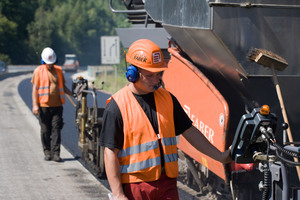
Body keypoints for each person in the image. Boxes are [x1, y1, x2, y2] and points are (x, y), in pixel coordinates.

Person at [99, 39, 232, 200]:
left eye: (159, 74)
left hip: (167, 185)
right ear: (132, 73)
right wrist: (118, 194)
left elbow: (189, 132)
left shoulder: (167, 99)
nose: (156, 80)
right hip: (136, 187)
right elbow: (110, 152)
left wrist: (220, 156)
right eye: (150, 75)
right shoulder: (117, 106)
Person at [31, 47, 73, 162]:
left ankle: (56, 153)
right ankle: (47, 151)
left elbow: (63, 87)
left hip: (57, 106)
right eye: (48, 63)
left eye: (52, 63)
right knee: (45, 130)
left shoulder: (58, 70)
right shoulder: (38, 71)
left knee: (56, 129)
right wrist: (35, 105)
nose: (50, 65)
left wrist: (72, 94)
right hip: (43, 106)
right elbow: (35, 89)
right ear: (43, 61)